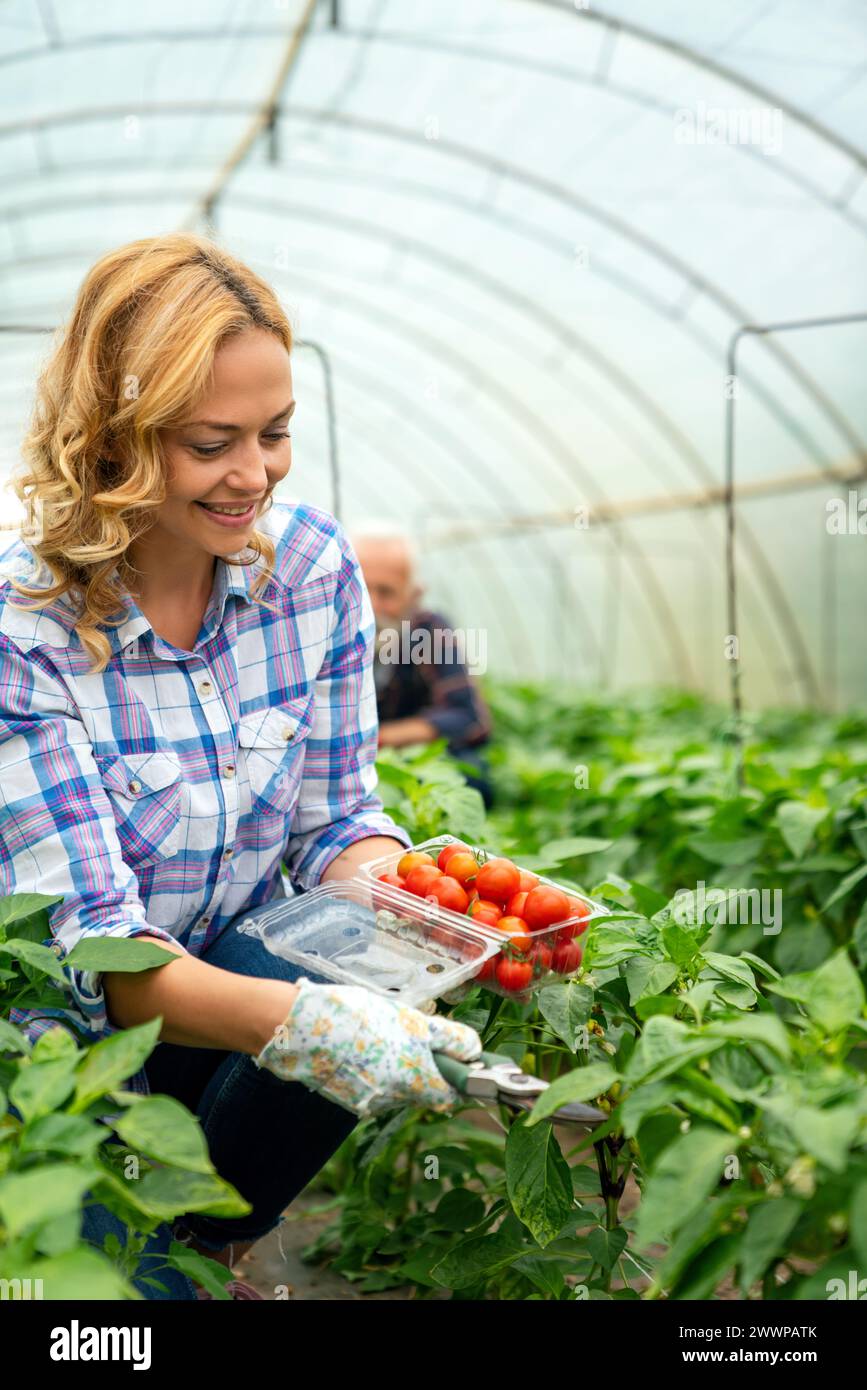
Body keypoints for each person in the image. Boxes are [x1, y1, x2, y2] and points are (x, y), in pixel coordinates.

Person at [0, 234, 483, 1300]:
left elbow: (336, 817)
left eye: (275, 434)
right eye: (213, 441)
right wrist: (312, 1027)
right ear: (114, 438)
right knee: (122, 1298)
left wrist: (429, 911)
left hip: (233, 992)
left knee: (374, 957)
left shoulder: (310, 572)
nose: (255, 475)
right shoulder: (21, 625)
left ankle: (221, 1231)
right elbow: (105, 960)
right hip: (73, 1061)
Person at [351, 524, 495, 808]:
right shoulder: (324, 626)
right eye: (363, 588)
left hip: (402, 757)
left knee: (470, 775)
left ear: (413, 594)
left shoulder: (428, 631)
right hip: (337, 761)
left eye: (387, 593)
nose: (372, 605)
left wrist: (382, 739)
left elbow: (470, 719)